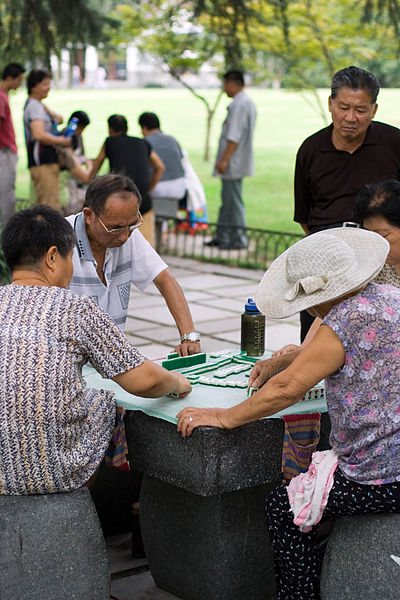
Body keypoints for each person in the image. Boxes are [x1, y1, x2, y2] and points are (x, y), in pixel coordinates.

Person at [176, 226, 400, 599]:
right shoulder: (390, 298)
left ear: (314, 300)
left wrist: (224, 417)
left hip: (379, 476)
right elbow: (335, 355)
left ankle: (300, 595)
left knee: (283, 507)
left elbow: (286, 390)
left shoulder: (342, 322)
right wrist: (288, 361)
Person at [0, 205, 191, 495]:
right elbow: (145, 380)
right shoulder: (75, 308)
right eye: (69, 257)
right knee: (100, 399)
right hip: (56, 474)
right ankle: (85, 501)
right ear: (53, 258)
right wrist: (177, 382)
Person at [294, 65, 400, 340]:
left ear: (374, 110)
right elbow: (306, 217)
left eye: (361, 110)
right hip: (325, 262)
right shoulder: (310, 150)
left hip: (381, 265)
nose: (351, 117)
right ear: (330, 104)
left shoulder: (393, 143)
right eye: (343, 107)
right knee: (315, 341)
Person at [66, 173, 201, 356]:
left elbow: (164, 279)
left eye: (132, 225)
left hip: (113, 359)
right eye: (114, 228)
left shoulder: (128, 233)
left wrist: (189, 336)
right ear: (89, 216)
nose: (123, 237)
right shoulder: (61, 242)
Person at [91, 114, 165, 246]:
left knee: (117, 247)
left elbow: (95, 169)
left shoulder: (110, 141)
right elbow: (160, 167)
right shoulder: (143, 143)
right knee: (146, 249)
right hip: (144, 203)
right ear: (127, 127)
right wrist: (148, 189)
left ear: (110, 129)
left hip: (120, 203)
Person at [206, 70, 257, 250]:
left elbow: (233, 136)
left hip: (233, 162)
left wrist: (224, 160)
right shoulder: (244, 102)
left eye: (225, 84)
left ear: (233, 84)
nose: (224, 89)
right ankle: (223, 236)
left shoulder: (239, 105)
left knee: (233, 202)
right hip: (235, 161)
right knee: (227, 200)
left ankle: (238, 239)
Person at [23, 69, 71, 210]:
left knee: (44, 204)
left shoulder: (38, 105)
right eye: (44, 84)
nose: (48, 87)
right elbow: (39, 135)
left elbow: (60, 119)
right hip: (43, 160)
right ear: (34, 86)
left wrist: (49, 111)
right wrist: (62, 141)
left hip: (43, 160)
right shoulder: (35, 107)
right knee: (50, 206)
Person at [138, 111, 186, 201]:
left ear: (143, 127)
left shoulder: (144, 143)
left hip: (157, 188)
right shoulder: (172, 139)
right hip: (180, 187)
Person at [0, 63, 25, 228]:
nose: (20, 84)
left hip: (6, 150)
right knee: (6, 194)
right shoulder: (1, 96)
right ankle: (7, 234)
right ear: (10, 78)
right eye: (19, 79)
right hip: (5, 151)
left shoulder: (4, 95)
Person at [60, 110, 92, 216]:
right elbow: (86, 178)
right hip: (68, 188)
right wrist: (90, 166)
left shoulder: (78, 138)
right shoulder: (66, 143)